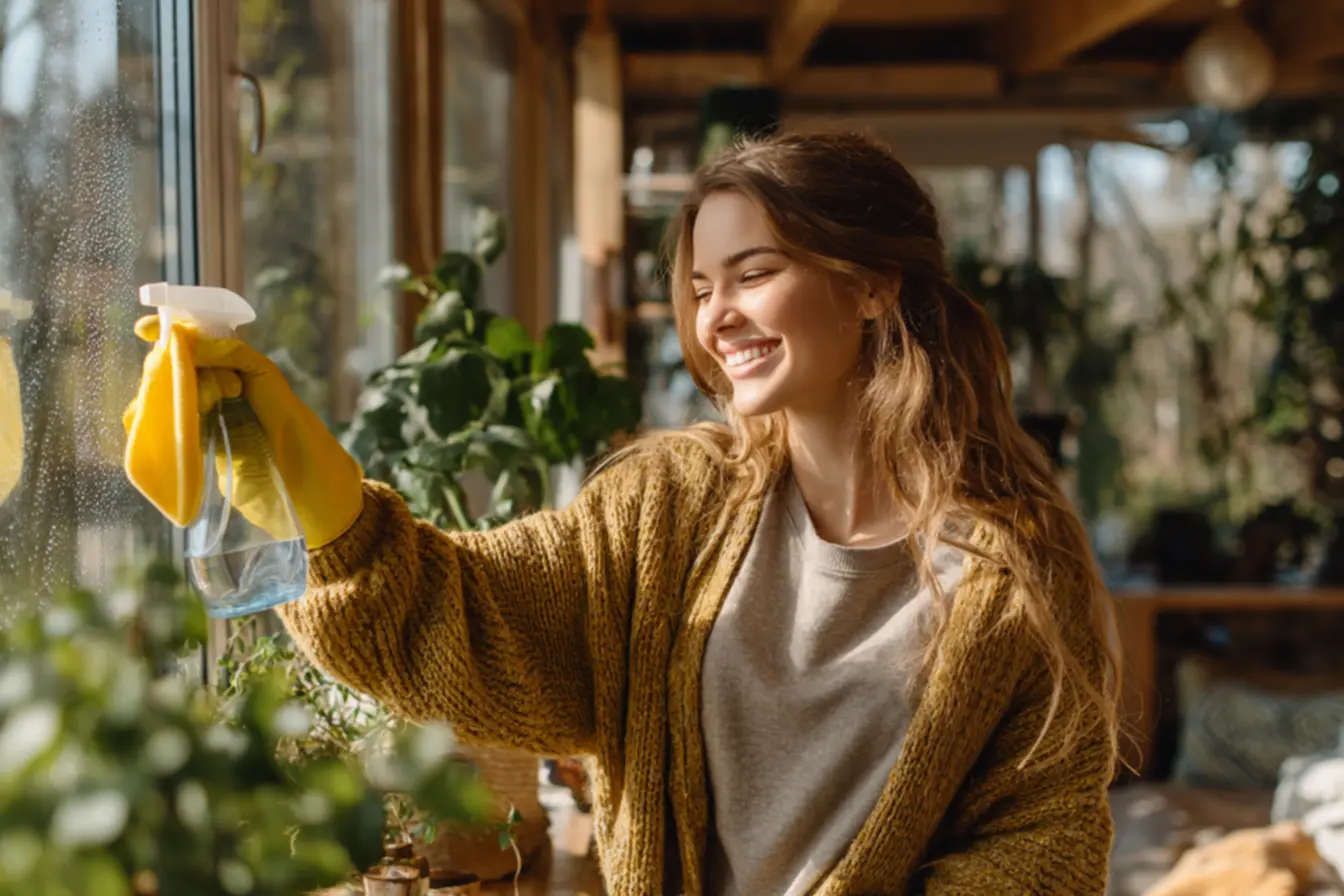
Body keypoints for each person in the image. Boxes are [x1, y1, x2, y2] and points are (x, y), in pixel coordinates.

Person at [126, 131, 1122, 895]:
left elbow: (1044, 843)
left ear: (868, 284)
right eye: (698, 286)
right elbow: (466, 618)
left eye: (753, 272)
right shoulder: (667, 508)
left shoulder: (1012, 571)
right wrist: (317, 501)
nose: (715, 315)